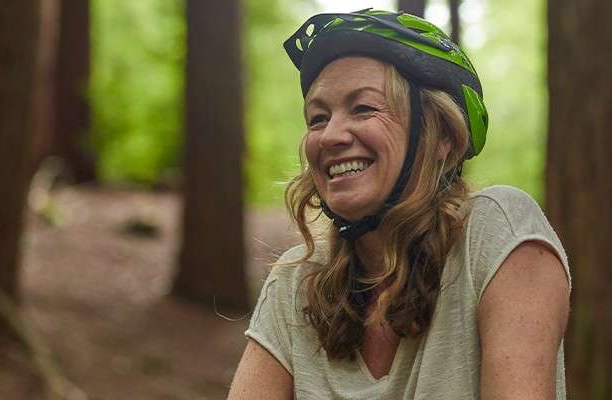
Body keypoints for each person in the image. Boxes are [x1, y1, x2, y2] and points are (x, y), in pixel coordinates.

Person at [228, 9, 571, 400]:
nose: (331, 135)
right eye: (317, 118)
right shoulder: (295, 284)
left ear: (440, 135)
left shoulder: (497, 237)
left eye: (364, 108)